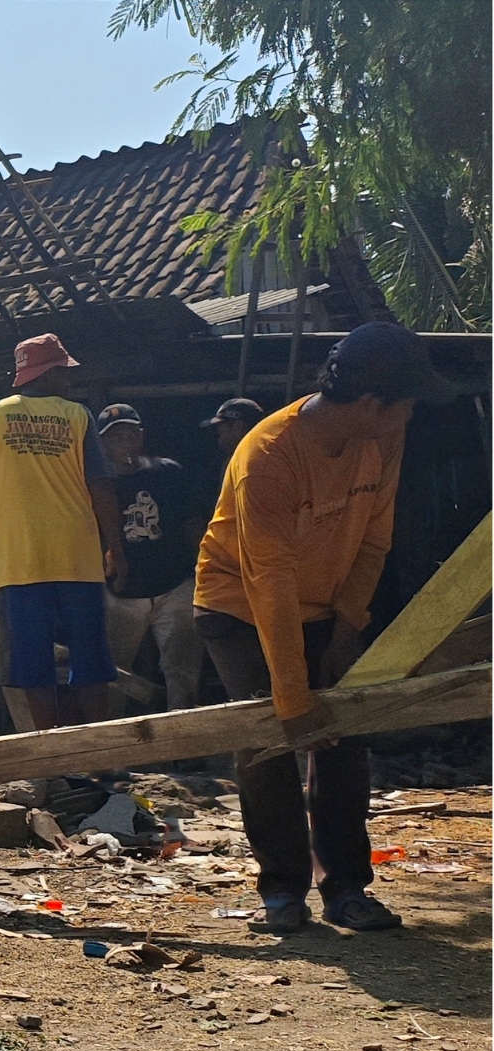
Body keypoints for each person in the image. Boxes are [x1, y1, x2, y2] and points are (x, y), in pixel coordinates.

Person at [194, 322, 453, 934]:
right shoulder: (268, 457)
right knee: (268, 739)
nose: (414, 412)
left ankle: (347, 889)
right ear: (371, 403)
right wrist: (292, 698)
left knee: (345, 741)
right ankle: (283, 892)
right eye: (408, 400)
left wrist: (346, 628)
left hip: (324, 606)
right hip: (239, 606)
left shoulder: (384, 437)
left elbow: (373, 537)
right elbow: (270, 581)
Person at [0, 333, 126, 731]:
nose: (68, 379)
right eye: (63, 371)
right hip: (77, 558)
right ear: (48, 374)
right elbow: (101, 485)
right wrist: (115, 547)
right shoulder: (79, 416)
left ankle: (49, 746)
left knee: (32, 663)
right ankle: (97, 743)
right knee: (90, 659)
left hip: (19, 562)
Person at [97, 404, 204, 712]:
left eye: (131, 434)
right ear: (102, 444)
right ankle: (116, 750)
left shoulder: (167, 472)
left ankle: (183, 746)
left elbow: (192, 521)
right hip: (122, 591)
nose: (125, 443)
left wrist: (199, 569)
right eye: (116, 437)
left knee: (182, 668)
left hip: (174, 584)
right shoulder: (97, 484)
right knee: (113, 671)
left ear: (141, 436)